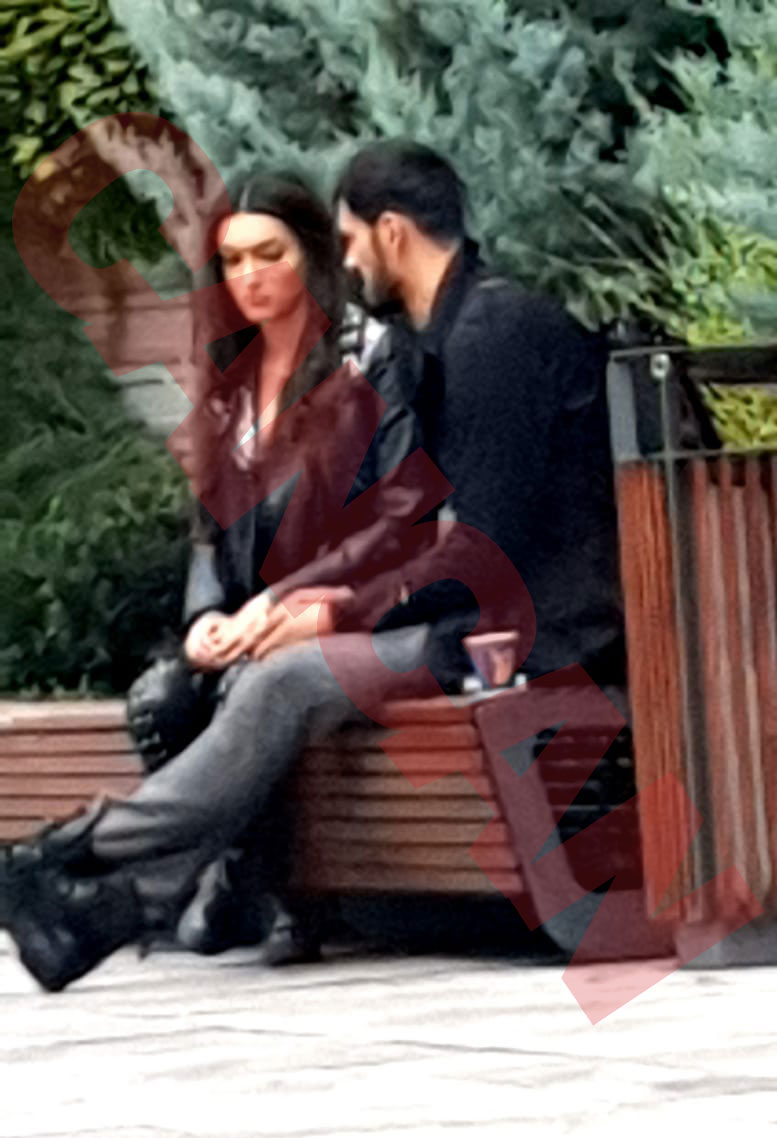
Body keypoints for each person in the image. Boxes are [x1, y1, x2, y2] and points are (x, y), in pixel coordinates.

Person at [0, 172, 453, 992]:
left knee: (255, 683)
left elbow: (401, 518)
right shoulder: (229, 378)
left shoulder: (372, 358)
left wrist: (283, 601)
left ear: (311, 254)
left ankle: (87, 865)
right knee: (171, 692)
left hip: (358, 608)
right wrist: (206, 614)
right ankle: (190, 893)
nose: (250, 276)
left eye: (269, 253)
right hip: (255, 616)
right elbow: (209, 527)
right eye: (233, 260)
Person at [331, 140, 624, 684]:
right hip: (483, 624)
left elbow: (482, 545)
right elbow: (396, 512)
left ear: (391, 232)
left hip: (545, 637)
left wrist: (343, 612)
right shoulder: (421, 345)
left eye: (350, 240)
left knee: (283, 683)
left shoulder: (493, 336)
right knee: (258, 675)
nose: (348, 262)